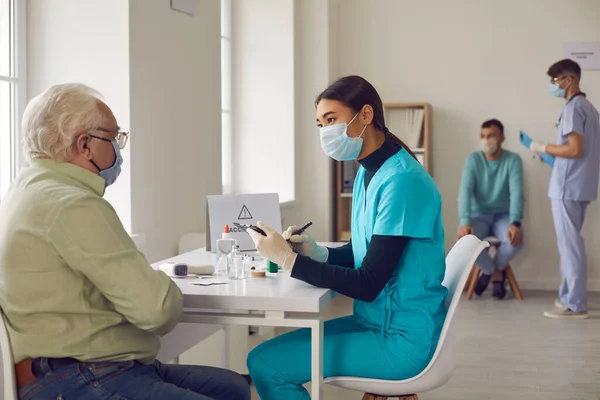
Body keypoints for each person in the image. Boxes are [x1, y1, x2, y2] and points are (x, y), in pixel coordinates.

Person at [0, 83, 250, 400]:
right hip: (79, 376)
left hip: (69, 367)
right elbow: (157, 309)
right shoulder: (73, 204)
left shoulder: (24, 191)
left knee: (233, 386)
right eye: (114, 137)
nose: (119, 148)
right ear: (85, 145)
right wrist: (157, 283)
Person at [243, 76, 448, 400]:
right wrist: (317, 252)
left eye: (331, 120)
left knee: (267, 365)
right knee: (259, 358)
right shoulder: (370, 173)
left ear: (365, 115)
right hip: (377, 322)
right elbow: (364, 252)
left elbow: (367, 283)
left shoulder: (402, 181)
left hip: (401, 338)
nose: (325, 131)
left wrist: (287, 259)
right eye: (320, 123)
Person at [528, 59, 600, 320]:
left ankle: (576, 304)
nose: (553, 86)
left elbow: (574, 149)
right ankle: (568, 296)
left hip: (567, 188)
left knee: (570, 246)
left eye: (555, 81)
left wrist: (543, 147)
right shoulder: (590, 109)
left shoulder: (573, 108)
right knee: (571, 244)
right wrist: (551, 156)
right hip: (580, 185)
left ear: (569, 80)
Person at [457, 119, 524, 299]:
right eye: (483, 136)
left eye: (491, 136)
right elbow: (465, 192)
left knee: (514, 241)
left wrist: (515, 223)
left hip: (504, 215)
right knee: (465, 241)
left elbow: (517, 193)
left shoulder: (513, 160)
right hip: (478, 215)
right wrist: (465, 222)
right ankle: (493, 273)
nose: (486, 140)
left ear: (501, 137)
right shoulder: (473, 160)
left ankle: (491, 271)